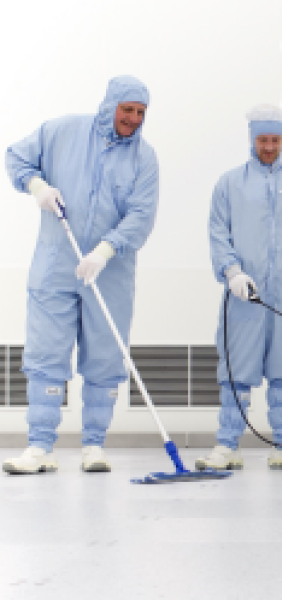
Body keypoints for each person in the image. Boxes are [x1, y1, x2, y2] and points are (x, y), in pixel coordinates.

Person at [3, 76, 158, 474]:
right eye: (127, 109)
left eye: (141, 112)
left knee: (105, 357)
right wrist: (37, 185)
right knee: (46, 354)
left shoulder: (144, 159)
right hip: (56, 265)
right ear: (110, 106)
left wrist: (105, 251)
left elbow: (141, 215)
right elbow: (16, 156)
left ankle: (94, 445)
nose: (133, 119)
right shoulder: (62, 132)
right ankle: (40, 447)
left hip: (110, 272)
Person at [197, 104, 282, 471]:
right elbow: (218, 233)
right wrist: (232, 272)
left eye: (275, 140)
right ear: (252, 139)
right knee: (236, 373)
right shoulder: (229, 184)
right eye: (263, 140)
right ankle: (227, 446)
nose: (269, 147)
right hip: (244, 297)